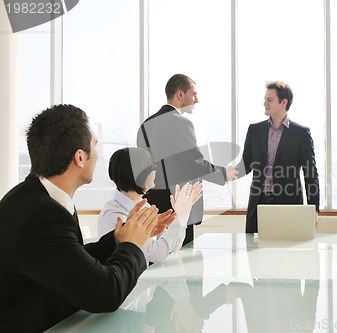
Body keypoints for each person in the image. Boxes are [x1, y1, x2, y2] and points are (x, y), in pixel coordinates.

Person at [0, 104, 174, 332]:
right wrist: (133, 245)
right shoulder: (40, 215)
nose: (98, 154)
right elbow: (105, 294)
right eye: (95, 145)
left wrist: (120, 239)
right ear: (80, 157)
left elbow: (69, 259)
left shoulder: (38, 198)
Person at [137, 74, 237, 246]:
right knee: (183, 261)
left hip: (153, 206)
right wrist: (222, 174)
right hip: (179, 205)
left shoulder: (145, 126)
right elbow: (193, 163)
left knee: (156, 259)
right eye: (194, 94)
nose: (196, 100)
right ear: (180, 94)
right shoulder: (182, 123)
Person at [235, 81, 320, 233]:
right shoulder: (255, 130)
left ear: (284, 102)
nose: (264, 103)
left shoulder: (301, 133)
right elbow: (247, 164)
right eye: (265, 99)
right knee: (254, 253)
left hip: (289, 205)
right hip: (258, 204)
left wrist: (314, 209)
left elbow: (310, 174)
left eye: (269, 100)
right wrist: (225, 174)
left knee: (286, 253)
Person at [97, 147, 203, 263]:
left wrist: (180, 215)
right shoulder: (113, 215)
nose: (156, 170)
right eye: (152, 166)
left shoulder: (144, 205)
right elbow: (157, 254)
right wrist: (182, 216)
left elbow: (174, 247)